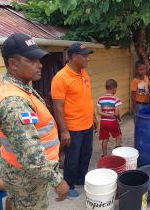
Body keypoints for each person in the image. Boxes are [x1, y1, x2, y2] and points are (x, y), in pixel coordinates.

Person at [0, 33, 69, 210]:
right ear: (13, 63)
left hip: (19, 173)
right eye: (32, 60)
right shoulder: (14, 102)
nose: (40, 65)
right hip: (26, 178)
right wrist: (57, 181)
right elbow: (31, 155)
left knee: (14, 202)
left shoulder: (19, 89)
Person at [51, 42, 97, 199]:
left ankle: (80, 179)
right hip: (73, 128)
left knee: (86, 154)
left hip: (87, 124)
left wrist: (94, 116)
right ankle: (69, 184)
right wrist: (64, 131)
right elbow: (58, 107)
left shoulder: (84, 74)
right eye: (84, 56)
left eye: (87, 56)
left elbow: (87, 98)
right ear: (72, 57)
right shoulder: (61, 78)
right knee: (72, 158)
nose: (87, 59)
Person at [97, 79, 122, 156]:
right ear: (114, 88)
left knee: (105, 139)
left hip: (103, 122)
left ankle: (104, 156)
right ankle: (117, 154)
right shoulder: (116, 99)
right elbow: (117, 113)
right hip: (112, 122)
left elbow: (99, 112)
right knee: (118, 136)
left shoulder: (100, 99)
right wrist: (116, 117)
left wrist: (106, 115)